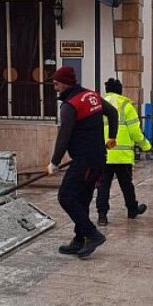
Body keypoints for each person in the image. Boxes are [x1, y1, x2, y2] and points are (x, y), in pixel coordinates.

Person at [47, 66, 119, 259]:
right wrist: (112, 138)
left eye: (55, 83)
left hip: (85, 160)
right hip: (98, 158)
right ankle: (79, 240)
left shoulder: (70, 105)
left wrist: (54, 162)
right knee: (82, 199)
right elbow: (112, 113)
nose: (55, 87)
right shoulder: (91, 96)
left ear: (65, 83)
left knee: (66, 196)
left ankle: (92, 234)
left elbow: (64, 135)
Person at [96, 78, 152, 226]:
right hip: (122, 156)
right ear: (121, 91)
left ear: (107, 90)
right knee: (126, 184)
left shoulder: (98, 105)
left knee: (103, 185)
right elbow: (135, 132)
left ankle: (102, 216)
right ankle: (132, 210)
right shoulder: (126, 105)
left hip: (104, 154)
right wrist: (146, 146)